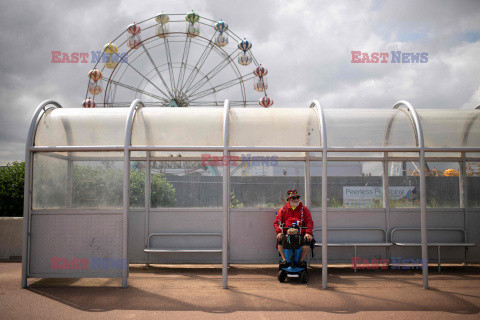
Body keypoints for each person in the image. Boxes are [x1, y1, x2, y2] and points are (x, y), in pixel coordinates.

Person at [274, 188, 314, 268]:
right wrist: (279, 232)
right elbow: (277, 222)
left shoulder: (304, 209)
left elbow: (309, 221)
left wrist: (308, 233)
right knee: (280, 239)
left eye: (297, 197)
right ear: (288, 199)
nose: (296, 199)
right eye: (293, 198)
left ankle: (300, 261)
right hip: (286, 234)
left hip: (301, 234)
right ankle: (284, 260)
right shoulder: (283, 210)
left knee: (308, 240)